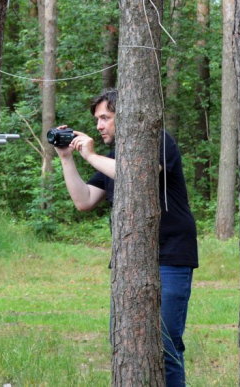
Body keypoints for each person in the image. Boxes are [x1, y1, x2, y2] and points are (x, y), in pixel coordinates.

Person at [53, 88, 198, 387]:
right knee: (127, 341)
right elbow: (84, 200)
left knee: (165, 344)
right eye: (97, 120)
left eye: (105, 118)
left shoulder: (159, 140)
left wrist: (90, 156)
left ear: (126, 116)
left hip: (169, 255)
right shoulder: (113, 156)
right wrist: (68, 158)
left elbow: (140, 173)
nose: (98, 126)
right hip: (129, 260)